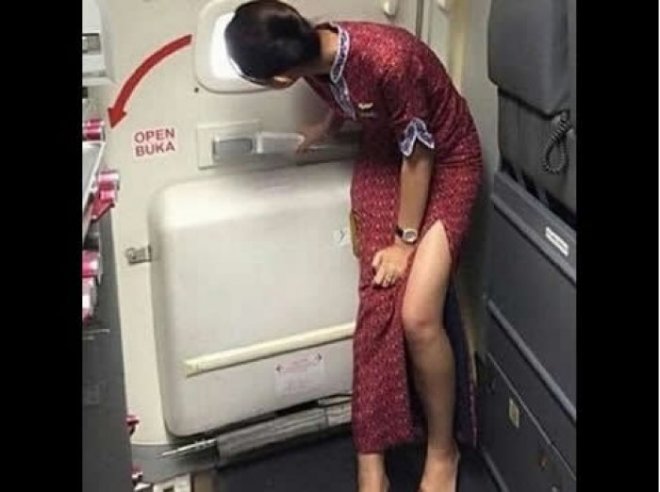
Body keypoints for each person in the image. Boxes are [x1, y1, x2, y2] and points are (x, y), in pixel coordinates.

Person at [225, 2, 482, 491]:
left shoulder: (388, 60)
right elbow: (347, 91)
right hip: (387, 152)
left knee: (418, 317)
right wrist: (327, 128)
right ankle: (372, 459)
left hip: (446, 160)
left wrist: (404, 244)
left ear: (277, 80)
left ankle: (442, 449)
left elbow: (421, 156)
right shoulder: (308, 52)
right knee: (379, 298)